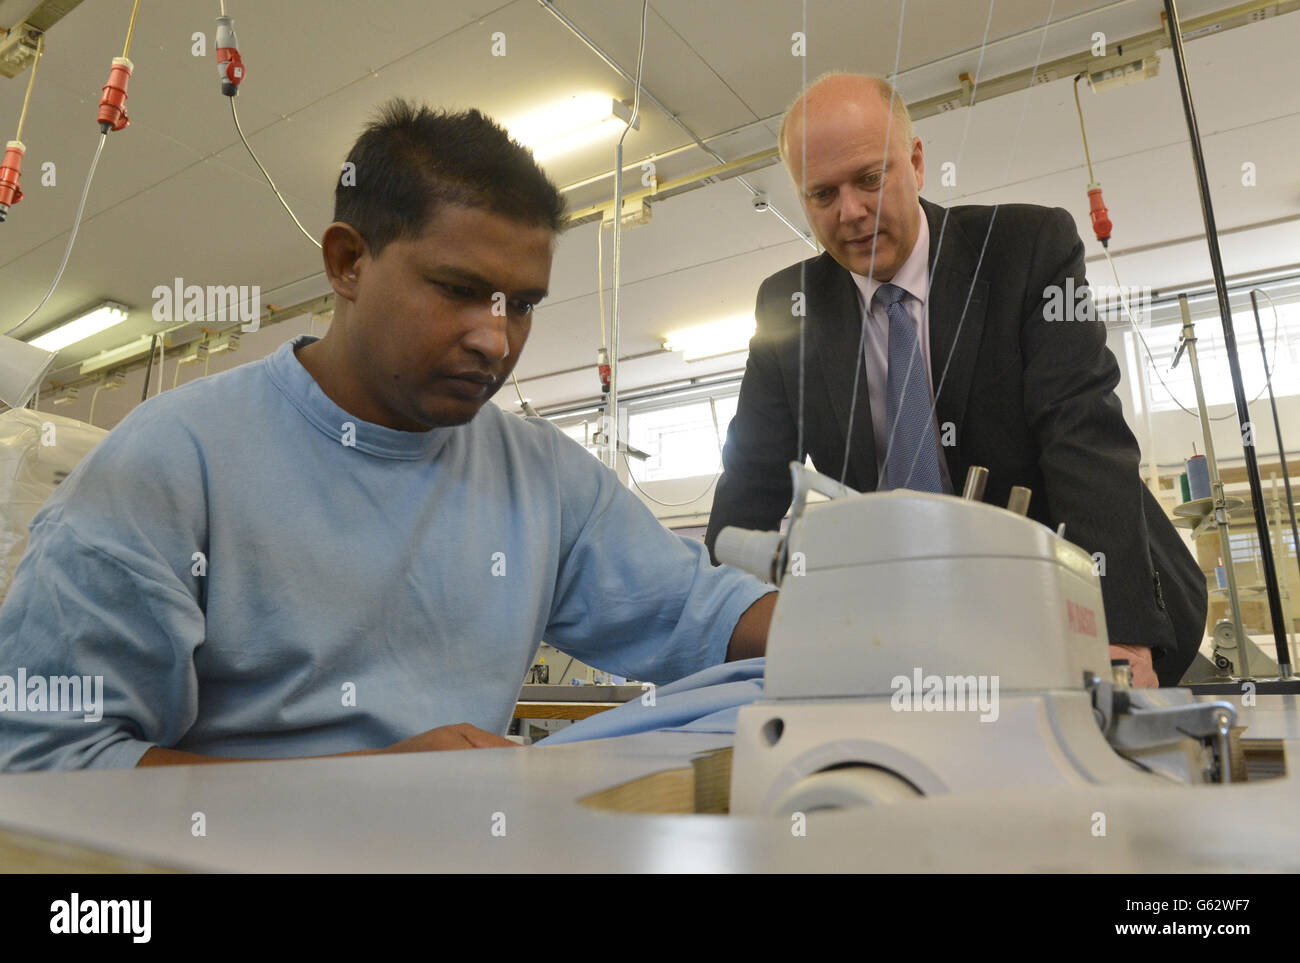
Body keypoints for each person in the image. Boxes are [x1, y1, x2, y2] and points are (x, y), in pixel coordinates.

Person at [0, 99, 776, 771]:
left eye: (522, 303)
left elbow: (700, 613)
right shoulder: (172, 461)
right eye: (460, 291)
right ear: (347, 262)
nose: (495, 341)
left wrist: (874, 618)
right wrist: (366, 786)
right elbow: (40, 756)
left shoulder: (543, 478)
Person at [705, 73, 1205, 687]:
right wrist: (724, 638)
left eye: (869, 178)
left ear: (915, 162)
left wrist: (1119, 639)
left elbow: (1083, 436)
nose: (851, 212)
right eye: (821, 194)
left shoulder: (1028, 248)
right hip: (909, 632)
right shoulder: (789, 306)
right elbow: (752, 483)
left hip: (1064, 600)